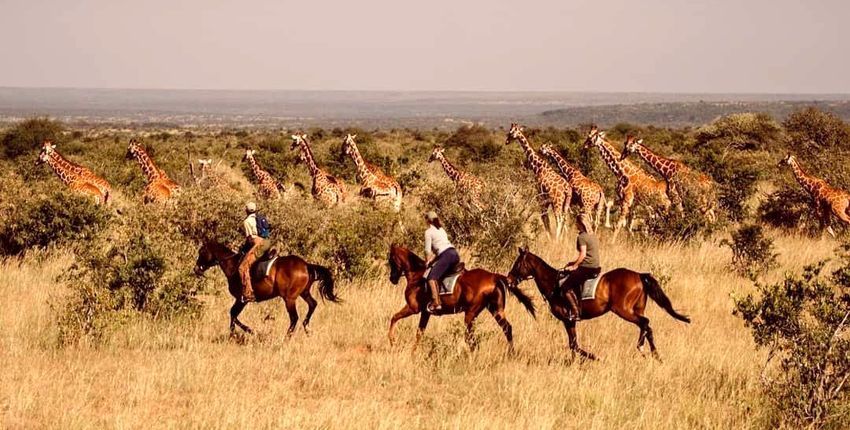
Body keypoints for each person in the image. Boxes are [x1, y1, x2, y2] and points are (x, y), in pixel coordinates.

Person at [560, 214, 601, 322]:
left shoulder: (581, 237)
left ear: (580, 224)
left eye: (576, 223)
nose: (575, 225)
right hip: (596, 267)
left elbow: (583, 255)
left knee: (565, 287)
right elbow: (589, 254)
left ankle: (575, 313)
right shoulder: (593, 235)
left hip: (587, 268)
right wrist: (573, 263)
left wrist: (574, 266)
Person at [423, 211, 459, 313]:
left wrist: (427, 261)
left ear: (428, 220)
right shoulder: (441, 230)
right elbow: (439, 250)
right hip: (454, 254)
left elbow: (427, 250)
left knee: (431, 278)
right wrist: (432, 260)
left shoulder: (428, 232)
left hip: (446, 256)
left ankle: (436, 302)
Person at [238, 202, 271, 303]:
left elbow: (250, 238)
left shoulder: (247, 221)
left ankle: (248, 294)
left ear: (246, 210)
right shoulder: (260, 218)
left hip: (258, 244)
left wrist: (243, 248)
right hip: (267, 242)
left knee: (243, 267)